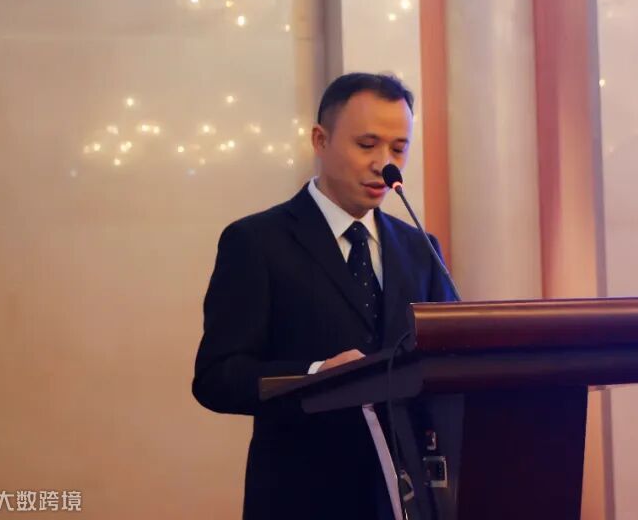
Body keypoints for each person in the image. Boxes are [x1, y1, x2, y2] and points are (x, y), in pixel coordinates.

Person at [192, 72, 457, 520]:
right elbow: (218, 378)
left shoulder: (420, 248)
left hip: (407, 500)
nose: (385, 164)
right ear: (320, 139)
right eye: (367, 144)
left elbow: (449, 361)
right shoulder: (256, 242)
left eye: (399, 148)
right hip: (302, 497)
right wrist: (316, 374)